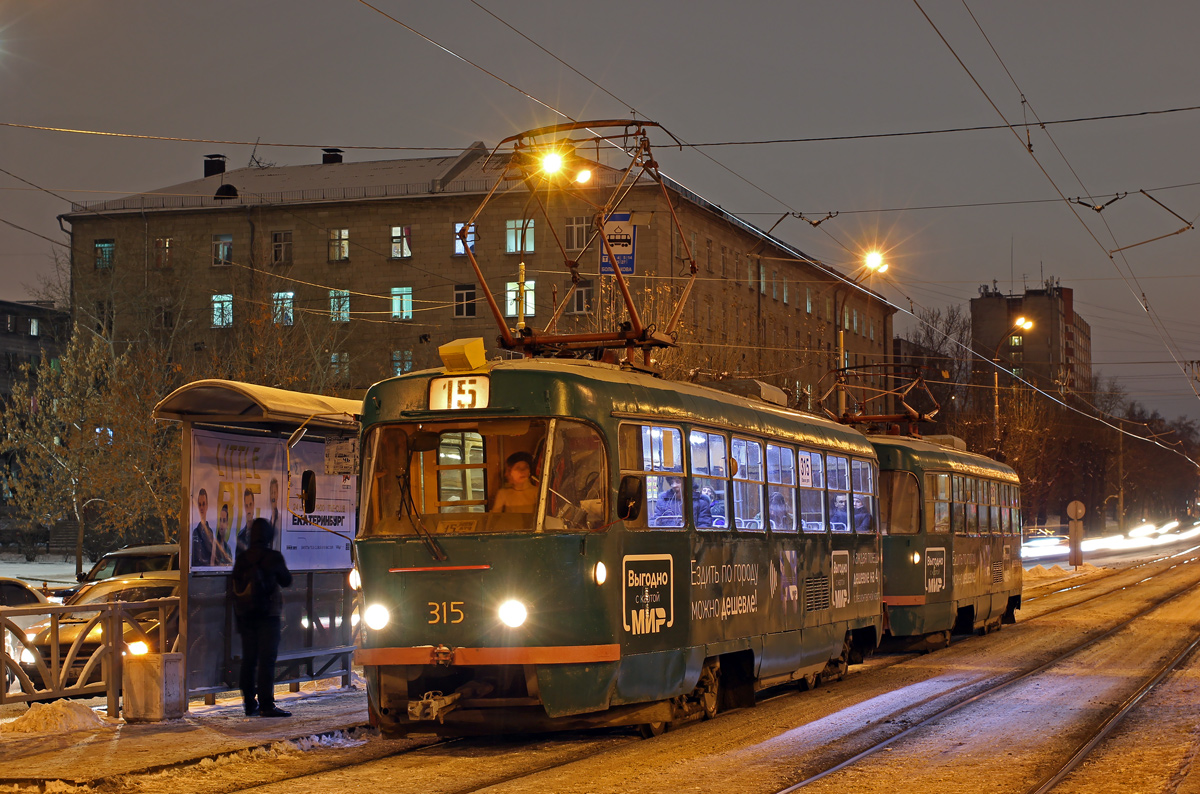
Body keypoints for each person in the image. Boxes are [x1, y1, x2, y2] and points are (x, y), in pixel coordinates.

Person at [232, 517, 293, 718]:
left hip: (246, 616)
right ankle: (267, 705)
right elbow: (286, 580)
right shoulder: (273, 557)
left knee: (249, 660)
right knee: (267, 660)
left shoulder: (242, 558)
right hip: (268, 615)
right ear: (268, 535)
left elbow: (234, 587)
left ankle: (250, 704)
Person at [191, 489, 218, 567]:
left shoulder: (210, 533)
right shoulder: (194, 532)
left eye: (203, 504)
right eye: (199, 504)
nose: (201, 507)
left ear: (207, 506)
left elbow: (213, 557)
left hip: (206, 572)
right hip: (195, 573)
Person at [236, 488, 257, 555]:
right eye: (246, 505)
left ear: (253, 505)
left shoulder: (260, 533)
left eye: (250, 504)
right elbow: (237, 559)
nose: (248, 508)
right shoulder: (240, 536)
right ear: (244, 507)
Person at [268, 478, 282, 551]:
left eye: (274, 492)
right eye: (271, 493)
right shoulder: (267, 518)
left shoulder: (281, 519)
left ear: (277, 494)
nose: (273, 496)